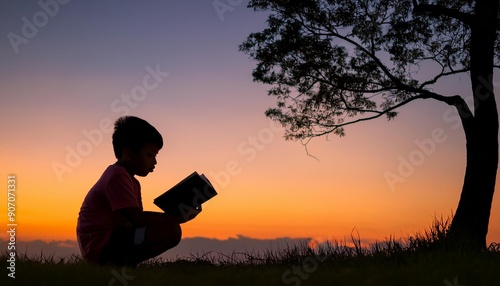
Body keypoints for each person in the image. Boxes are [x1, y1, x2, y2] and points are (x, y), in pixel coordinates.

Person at [76, 116, 200, 267]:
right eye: (149, 155)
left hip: (112, 240)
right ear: (128, 153)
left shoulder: (131, 181)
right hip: (100, 246)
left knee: (170, 229)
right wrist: (177, 218)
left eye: (155, 156)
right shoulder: (117, 175)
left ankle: (125, 264)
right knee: (171, 230)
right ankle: (122, 264)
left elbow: (136, 221)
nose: (154, 162)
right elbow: (137, 219)